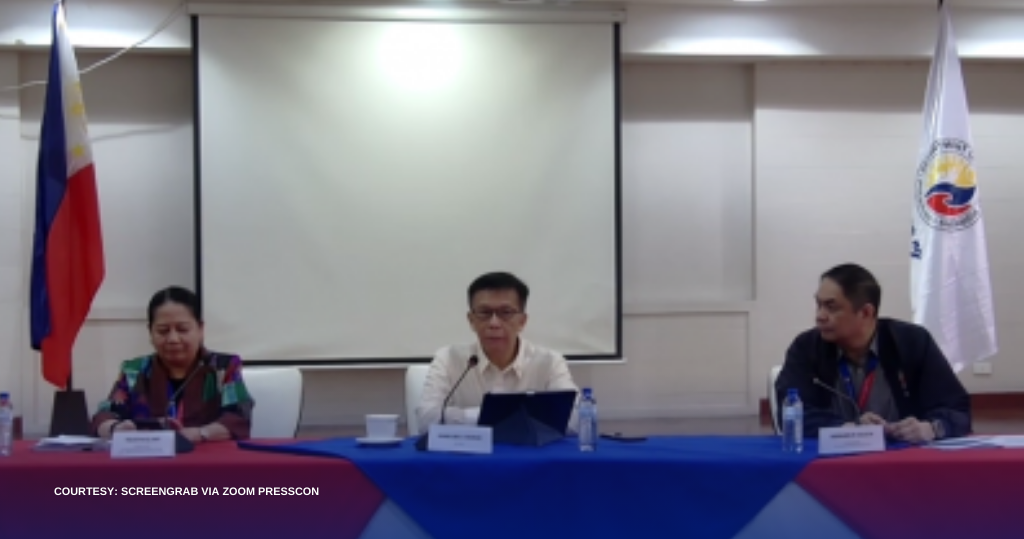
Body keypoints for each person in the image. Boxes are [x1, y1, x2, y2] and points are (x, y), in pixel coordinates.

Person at [775, 263, 971, 443]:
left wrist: (932, 428)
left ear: (866, 312)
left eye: (831, 307)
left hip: (901, 459)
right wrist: (846, 428)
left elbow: (958, 410)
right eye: (819, 305)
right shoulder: (807, 347)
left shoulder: (912, 342)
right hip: (832, 459)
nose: (819, 316)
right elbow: (789, 412)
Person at [416, 272, 580, 431]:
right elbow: (426, 419)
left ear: (522, 321)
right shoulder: (448, 359)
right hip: (470, 451)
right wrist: (500, 415)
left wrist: (468, 417)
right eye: (484, 313)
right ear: (471, 320)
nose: (494, 323)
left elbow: (575, 418)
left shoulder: (549, 362)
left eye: (506, 313)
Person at [91, 286, 254, 442]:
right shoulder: (134, 370)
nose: (173, 339)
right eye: (163, 331)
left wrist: (200, 433)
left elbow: (239, 418)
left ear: (200, 329)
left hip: (206, 456)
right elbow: (103, 416)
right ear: (150, 332)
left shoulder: (223, 367)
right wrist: (115, 428)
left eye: (182, 329)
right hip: (149, 458)